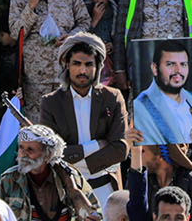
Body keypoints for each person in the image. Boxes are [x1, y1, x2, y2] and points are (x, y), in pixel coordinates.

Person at [35, 33, 128, 214]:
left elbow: (120, 149)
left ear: (97, 66)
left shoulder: (113, 97)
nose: (82, 71)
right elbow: (50, 154)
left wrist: (75, 160)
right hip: (66, 191)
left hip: (105, 188)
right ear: (66, 65)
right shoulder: (51, 103)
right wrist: (96, 145)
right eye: (76, 64)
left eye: (88, 64)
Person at [0, 125, 99, 221]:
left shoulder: (70, 177)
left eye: (30, 149)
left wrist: (72, 189)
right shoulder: (10, 179)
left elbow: (96, 213)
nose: (23, 154)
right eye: (21, 147)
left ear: (47, 154)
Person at [131, 39, 192, 147]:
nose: (178, 70)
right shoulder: (140, 107)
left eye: (183, 64)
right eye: (170, 64)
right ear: (155, 68)